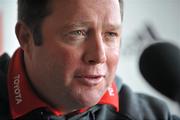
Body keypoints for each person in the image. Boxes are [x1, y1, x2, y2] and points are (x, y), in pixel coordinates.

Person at [0, 0, 179, 119]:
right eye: (78, 33)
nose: (99, 56)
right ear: (26, 37)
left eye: (110, 34)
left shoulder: (155, 115)